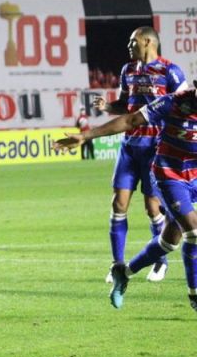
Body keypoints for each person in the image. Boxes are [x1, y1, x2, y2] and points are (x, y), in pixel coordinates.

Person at [56, 87, 197, 313]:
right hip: (170, 175)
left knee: (170, 240)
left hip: (195, 175)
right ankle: (194, 295)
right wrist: (85, 136)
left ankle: (124, 273)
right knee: (193, 231)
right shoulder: (172, 102)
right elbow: (130, 120)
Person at [91, 26, 188, 283]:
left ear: (147, 42)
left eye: (132, 41)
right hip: (130, 146)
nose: (128, 46)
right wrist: (108, 107)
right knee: (118, 203)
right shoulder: (128, 71)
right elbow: (127, 106)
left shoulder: (170, 71)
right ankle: (117, 264)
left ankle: (160, 261)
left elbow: (185, 106)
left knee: (152, 207)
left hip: (156, 147)